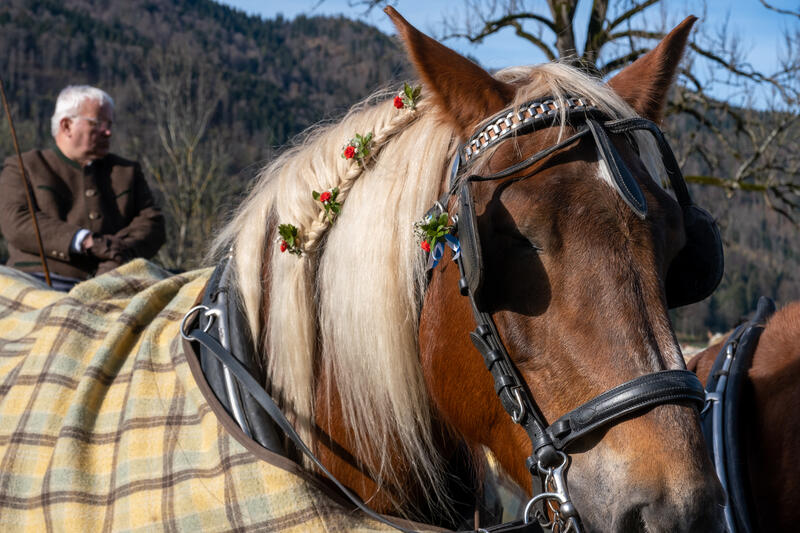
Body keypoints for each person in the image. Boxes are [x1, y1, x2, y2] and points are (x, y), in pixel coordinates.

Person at [0, 85, 165, 290]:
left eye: (110, 124)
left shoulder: (126, 170)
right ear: (67, 125)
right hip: (38, 281)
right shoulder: (25, 166)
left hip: (115, 281)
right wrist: (85, 241)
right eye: (98, 123)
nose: (108, 132)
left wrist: (116, 255)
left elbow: (153, 223)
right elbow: (16, 220)